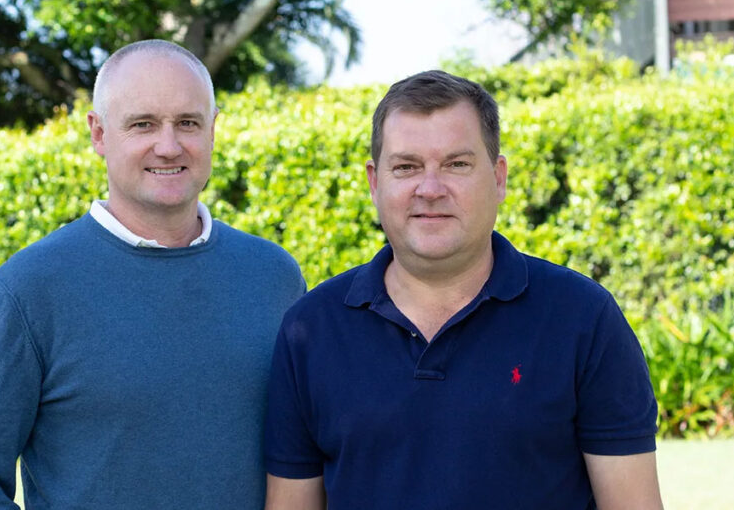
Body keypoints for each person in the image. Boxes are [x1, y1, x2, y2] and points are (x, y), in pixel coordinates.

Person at [264, 70, 663, 509]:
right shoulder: (311, 329)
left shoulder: (584, 319)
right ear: (375, 184)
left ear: (498, 178)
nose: (430, 189)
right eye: (406, 167)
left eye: (457, 164)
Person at [0, 40, 305, 509]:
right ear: (99, 133)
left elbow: (308, 456)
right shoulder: (29, 289)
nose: (168, 146)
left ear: (213, 131)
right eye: (143, 124)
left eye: (187, 123)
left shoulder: (273, 278)